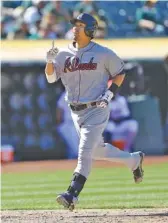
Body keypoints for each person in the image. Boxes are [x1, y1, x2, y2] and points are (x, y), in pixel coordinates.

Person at [45, 13, 145, 211]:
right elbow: (50, 78)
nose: (75, 28)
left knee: (84, 151)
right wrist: (49, 61)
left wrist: (109, 94)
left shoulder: (103, 53)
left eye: (80, 25)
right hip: (75, 111)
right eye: (74, 24)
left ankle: (72, 194)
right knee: (96, 150)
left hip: (97, 108)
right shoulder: (63, 54)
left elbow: (120, 73)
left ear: (90, 30)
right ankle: (134, 160)